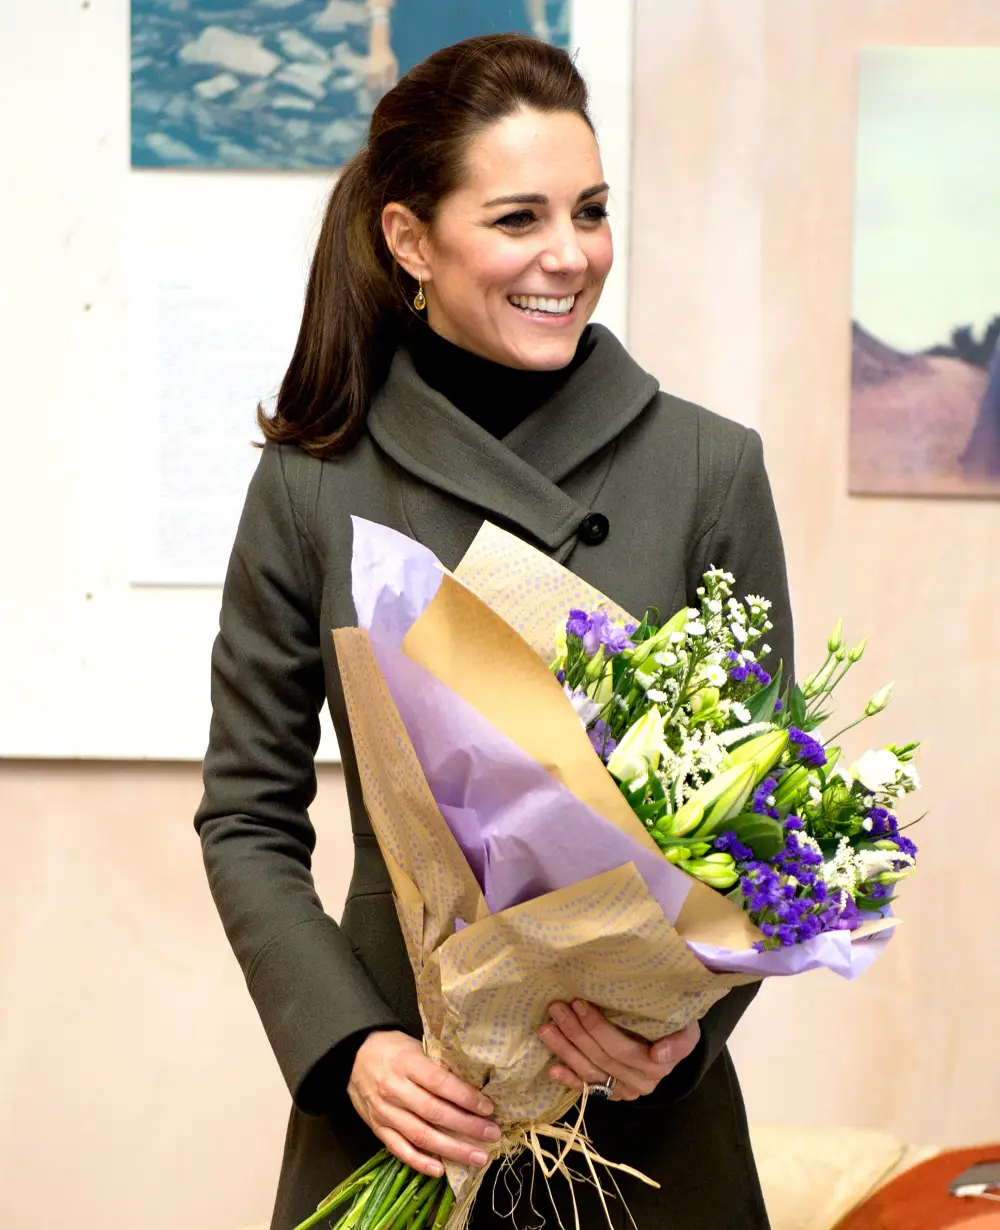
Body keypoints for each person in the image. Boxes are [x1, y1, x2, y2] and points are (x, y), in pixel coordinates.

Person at [195, 33, 792, 1230]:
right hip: (409, 1104)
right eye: (518, 218)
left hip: (642, 1119)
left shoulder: (708, 467)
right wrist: (351, 1045)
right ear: (410, 240)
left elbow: (770, 822)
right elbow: (248, 814)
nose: (568, 257)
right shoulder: (314, 483)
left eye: (591, 211)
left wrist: (680, 1024)